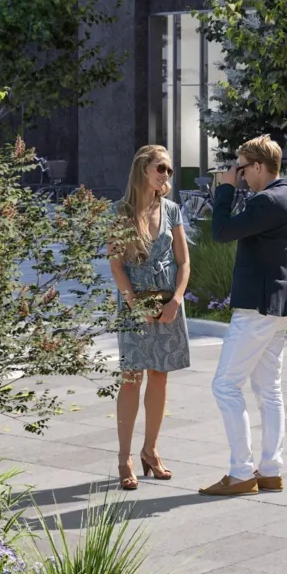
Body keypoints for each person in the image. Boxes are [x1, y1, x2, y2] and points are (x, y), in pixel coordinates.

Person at [202, 136, 287, 498]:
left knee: (225, 385)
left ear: (260, 166)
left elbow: (221, 232)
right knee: (268, 390)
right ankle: (272, 470)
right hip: (280, 307)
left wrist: (225, 191)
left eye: (243, 168)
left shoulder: (267, 200)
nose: (239, 175)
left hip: (257, 309)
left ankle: (241, 473)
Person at [107, 145, 193, 491]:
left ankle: (151, 451)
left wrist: (176, 299)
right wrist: (133, 303)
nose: (167, 175)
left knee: (159, 376)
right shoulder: (120, 212)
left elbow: (184, 262)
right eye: (162, 168)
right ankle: (124, 457)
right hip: (134, 306)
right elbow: (115, 264)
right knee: (131, 377)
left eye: (169, 171)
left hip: (168, 305)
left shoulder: (172, 210)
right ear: (144, 169)